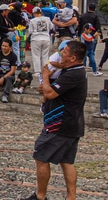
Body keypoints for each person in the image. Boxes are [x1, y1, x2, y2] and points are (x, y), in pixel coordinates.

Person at [22, 39, 87, 200]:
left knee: (41, 156)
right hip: (72, 124)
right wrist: (46, 85)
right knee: (66, 161)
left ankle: (40, 196)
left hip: (60, 125)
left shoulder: (73, 74)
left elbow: (50, 94)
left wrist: (44, 76)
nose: (61, 55)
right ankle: (71, 197)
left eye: (64, 52)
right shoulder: (74, 71)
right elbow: (50, 90)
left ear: (73, 58)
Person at [28, 7, 53, 74]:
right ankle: (45, 70)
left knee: (36, 55)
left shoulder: (32, 20)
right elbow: (51, 27)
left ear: (34, 13)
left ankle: (37, 71)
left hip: (36, 39)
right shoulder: (47, 19)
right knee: (45, 55)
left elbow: (30, 31)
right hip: (46, 38)